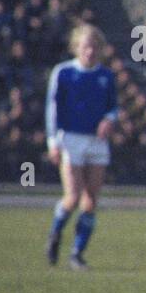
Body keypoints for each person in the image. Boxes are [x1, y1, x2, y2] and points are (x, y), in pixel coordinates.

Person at [44, 24, 117, 270]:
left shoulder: (106, 76)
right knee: (72, 197)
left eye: (95, 47)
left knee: (91, 201)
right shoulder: (63, 73)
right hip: (71, 140)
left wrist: (109, 119)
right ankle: (55, 233)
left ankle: (77, 253)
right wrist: (53, 142)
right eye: (86, 46)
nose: (90, 51)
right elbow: (52, 109)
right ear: (77, 47)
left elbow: (113, 107)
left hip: (97, 143)